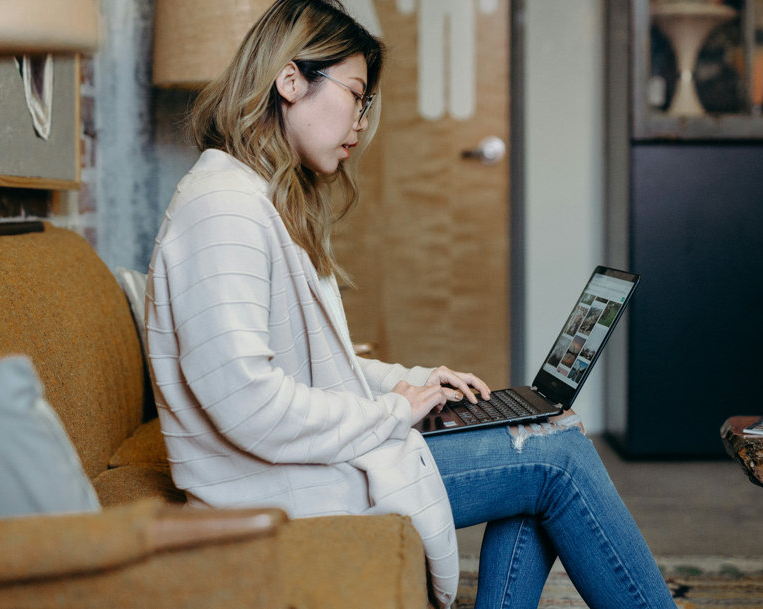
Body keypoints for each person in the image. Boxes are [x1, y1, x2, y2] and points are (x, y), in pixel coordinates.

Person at [145, 1, 677, 608]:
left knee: (540, 428)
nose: (361, 121)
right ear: (290, 81)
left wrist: (415, 382)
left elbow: (319, 366)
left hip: (303, 467)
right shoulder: (221, 210)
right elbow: (249, 403)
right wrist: (394, 413)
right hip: (279, 488)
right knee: (557, 457)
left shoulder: (256, 200)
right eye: (355, 94)